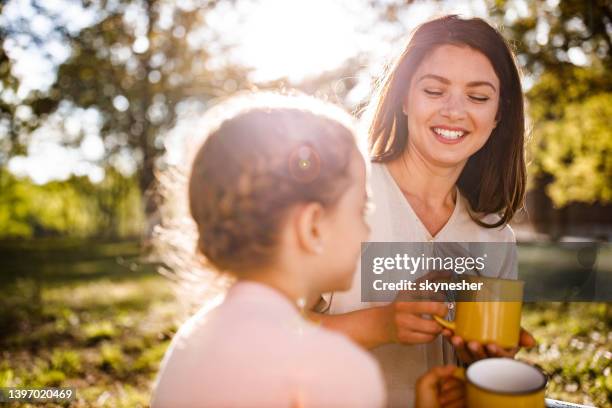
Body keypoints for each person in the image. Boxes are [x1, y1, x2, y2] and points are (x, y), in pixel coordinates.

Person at [151, 93, 461, 408]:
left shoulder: (191, 339)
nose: (366, 231)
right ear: (312, 227)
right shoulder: (336, 370)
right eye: (360, 210)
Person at [312, 15, 536, 407]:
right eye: (434, 90)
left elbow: (474, 380)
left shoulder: (495, 237)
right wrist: (379, 325)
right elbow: (264, 334)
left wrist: (478, 361)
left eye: (478, 97)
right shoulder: (338, 195)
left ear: (499, 114)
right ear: (403, 97)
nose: (454, 111)